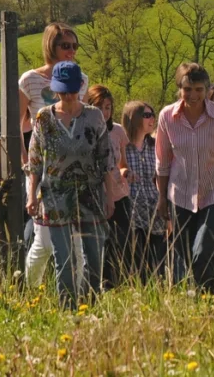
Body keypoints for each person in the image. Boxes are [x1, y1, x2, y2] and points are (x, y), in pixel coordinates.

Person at [27, 61, 114, 307]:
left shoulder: (94, 116)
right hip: (55, 195)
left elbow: (106, 158)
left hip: (90, 194)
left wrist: (109, 196)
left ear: (80, 89)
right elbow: (35, 160)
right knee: (63, 257)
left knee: (94, 256)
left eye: (72, 90)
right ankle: (68, 309)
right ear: (55, 90)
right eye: (63, 91)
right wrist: (32, 195)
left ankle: (90, 305)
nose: (68, 96)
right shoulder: (44, 118)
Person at [156, 62, 214, 293]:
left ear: (206, 89)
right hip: (181, 195)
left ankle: (207, 301)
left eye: (198, 89)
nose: (193, 95)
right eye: (187, 89)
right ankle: (208, 299)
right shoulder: (167, 116)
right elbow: (163, 162)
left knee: (201, 252)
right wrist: (162, 198)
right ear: (179, 89)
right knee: (187, 255)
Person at [19, 23, 88, 288]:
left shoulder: (81, 80)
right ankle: (31, 294)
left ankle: (79, 296)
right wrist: (27, 163)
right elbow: (17, 126)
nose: (71, 51)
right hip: (43, 169)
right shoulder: (29, 80)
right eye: (65, 46)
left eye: (74, 46)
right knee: (44, 242)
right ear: (51, 46)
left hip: (75, 171)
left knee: (78, 242)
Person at [88, 85, 132, 287]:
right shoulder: (85, 131)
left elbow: (122, 162)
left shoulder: (118, 131)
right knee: (98, 242)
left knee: (121, 242)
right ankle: (97, 283)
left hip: (119, 193)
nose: (104, 113)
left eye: (108, 107)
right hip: (96, 195)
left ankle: (115, 283)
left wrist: (125, 172)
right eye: (99, 107)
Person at [122, 100, 166, 280]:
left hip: (155, 209)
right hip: (131, 210)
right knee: (136, 262)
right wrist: (123, 172)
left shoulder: (156, 146)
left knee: (158, 262)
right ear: (134, 118)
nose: (152, 119)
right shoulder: (122, 145)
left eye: (153, 115)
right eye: (147, 115)